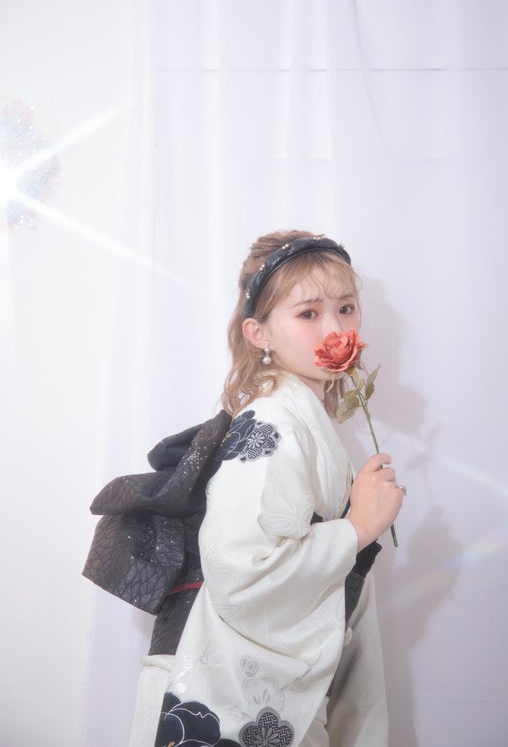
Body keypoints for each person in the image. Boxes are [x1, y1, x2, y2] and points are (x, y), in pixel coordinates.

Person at [125, 229, 404, 747]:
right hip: (220, 701)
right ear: (259, 334)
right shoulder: (272, 422)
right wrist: (358, 528)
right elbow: (243, 574)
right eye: (308, 313)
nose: (335, 329)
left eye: (346, 308)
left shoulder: (300, 420)